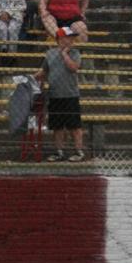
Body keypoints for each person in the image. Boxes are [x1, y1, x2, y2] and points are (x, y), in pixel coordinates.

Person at [35, 26, 85, 162]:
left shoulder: (74, 53)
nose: (71, 41)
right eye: (68, 38)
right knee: (57, 126)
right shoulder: (50, 54)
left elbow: (74, 68)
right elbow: (44, 71)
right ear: (60, 39)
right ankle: (59, 151)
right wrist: (32, 77)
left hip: (70, 94)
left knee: (74, 125)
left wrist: (64, 55)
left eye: (72, 38)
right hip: (55, 94)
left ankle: (79, 151)